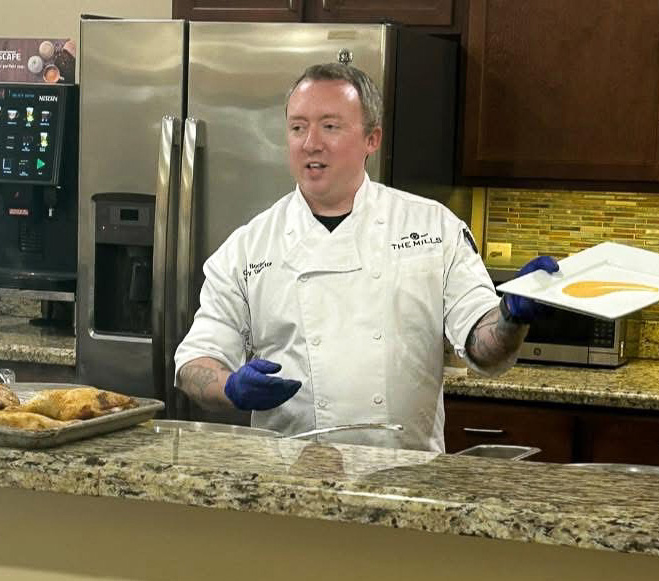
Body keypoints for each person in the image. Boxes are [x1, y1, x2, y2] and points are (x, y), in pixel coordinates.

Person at [173, 63, 558, 452]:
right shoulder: (248, 247)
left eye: (330, 126)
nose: (310, 143)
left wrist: (511, 317)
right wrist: (230, 388)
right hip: (289, 482)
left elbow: (483, 348)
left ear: (372, 139)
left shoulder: (433, 229)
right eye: (297, 127)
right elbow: (194, 364)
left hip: (406, 480)